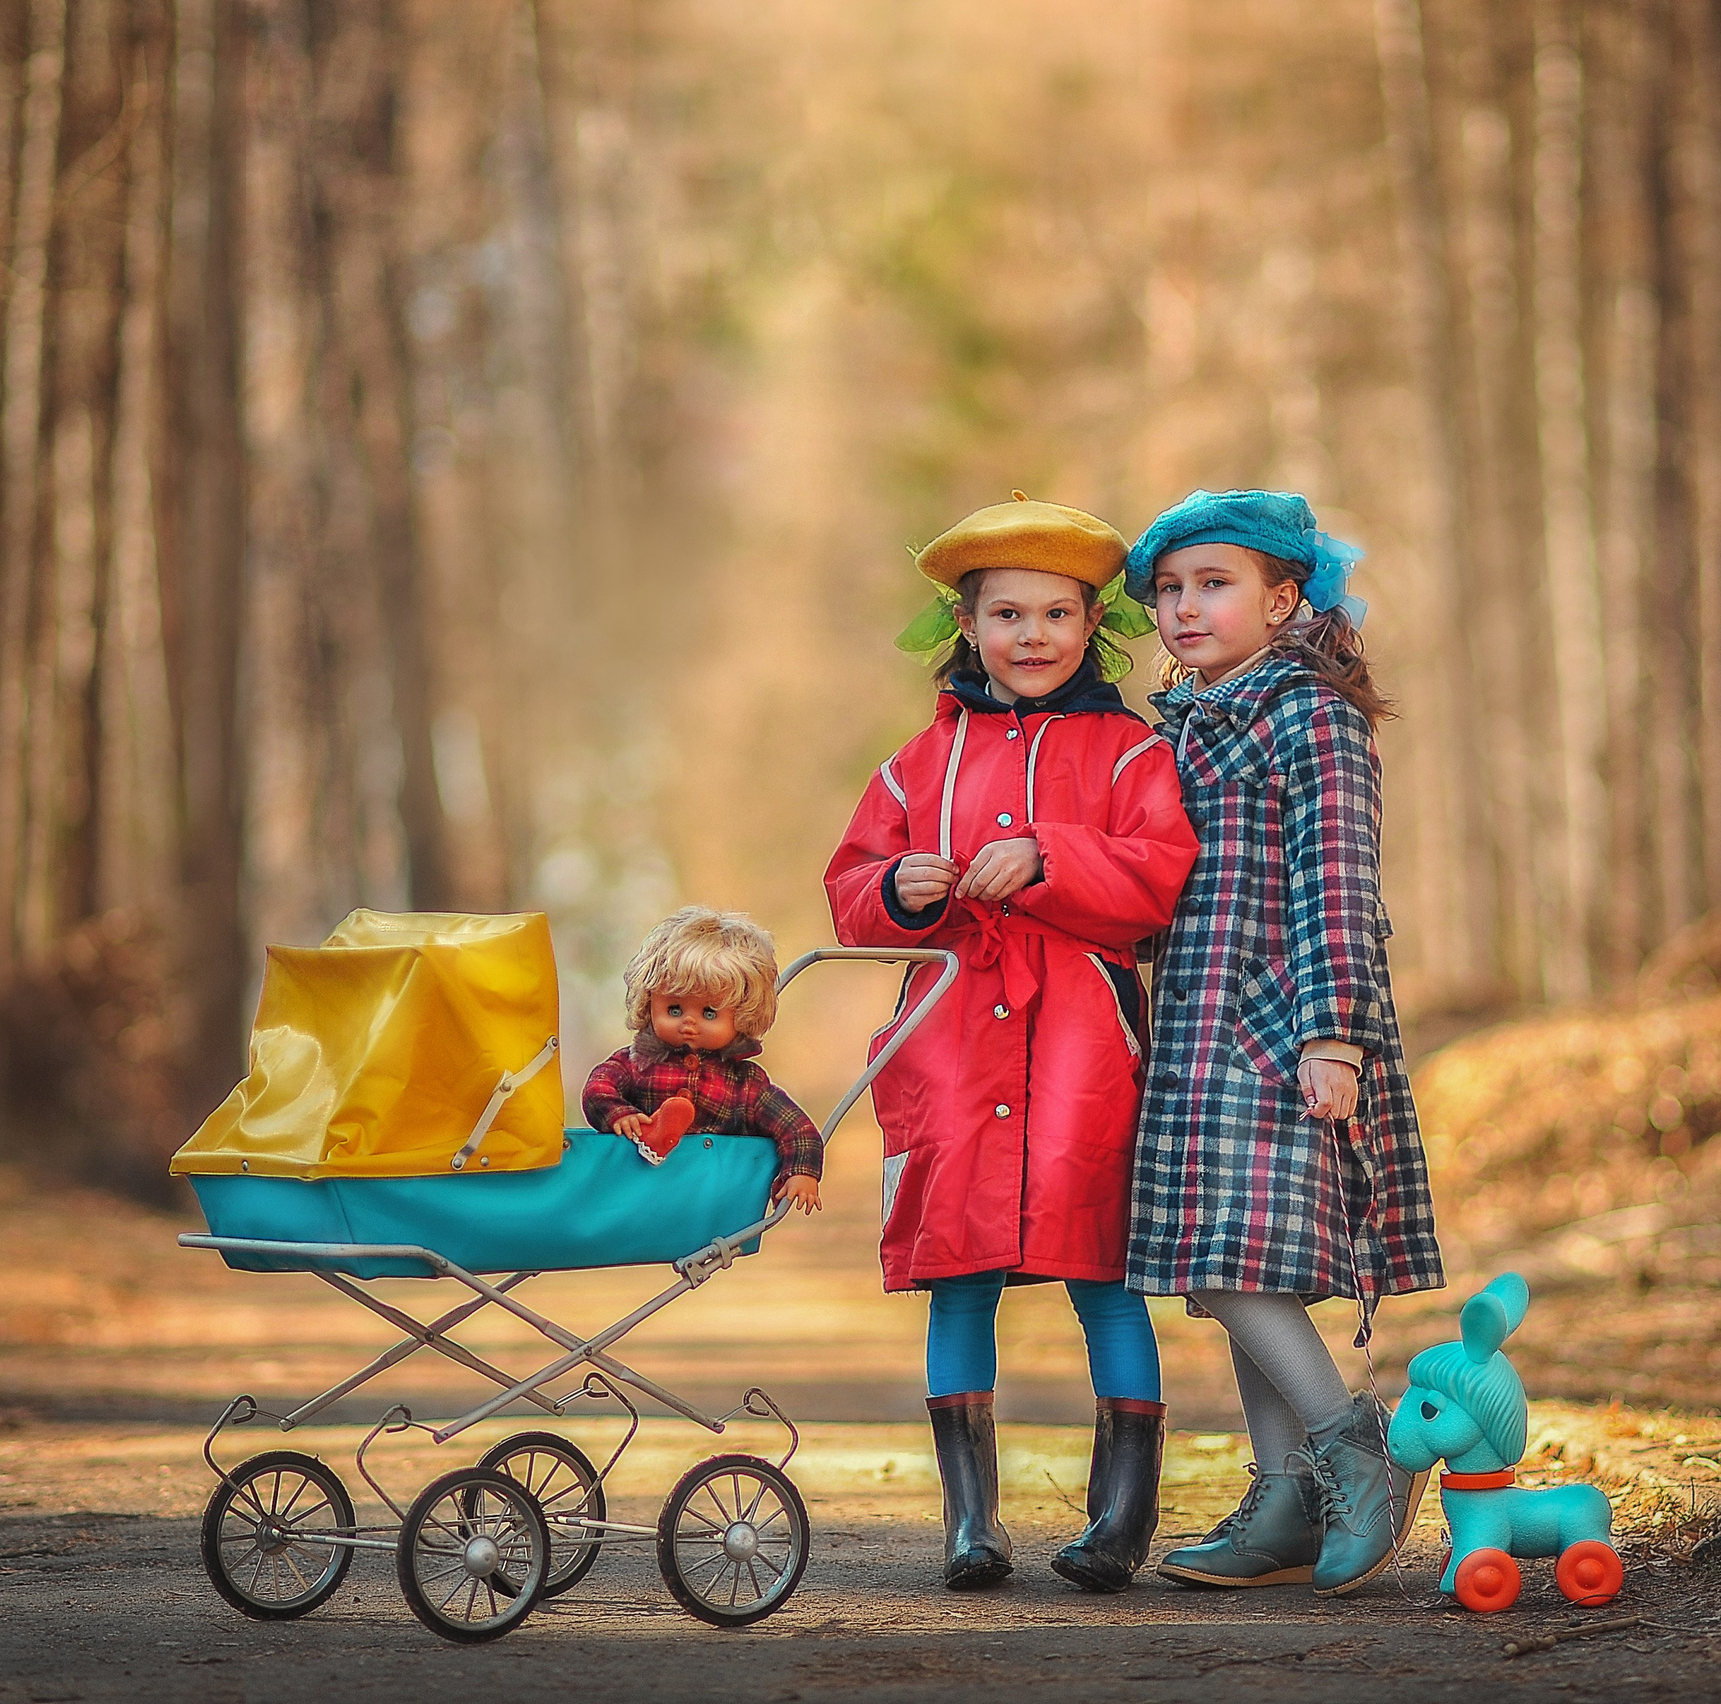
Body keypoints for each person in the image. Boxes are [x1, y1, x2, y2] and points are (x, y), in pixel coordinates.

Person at [826, 493, 1200, 1592]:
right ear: (967, 624)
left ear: (1093, 625)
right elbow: (850, 888)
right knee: (959, 1269)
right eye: (1006, 614)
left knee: (1103, 1267)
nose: (1032, 636)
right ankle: (971, 1524)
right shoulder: (914, 764)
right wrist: (898, 887)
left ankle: (1118, 1523)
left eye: (1057, 613)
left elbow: (1159, 876)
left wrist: (1052, 856)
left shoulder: (1131, 752)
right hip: (949, 1042)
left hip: (1084, 1039)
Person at [1122, 489, 1445, 1597]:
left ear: (1281, 599)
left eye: (1213, 584)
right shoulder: (1176, 724)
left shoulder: (1309, 714)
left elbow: (1338, 882)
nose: (1183, 606)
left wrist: (1334, 1036)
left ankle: (1356, 1448)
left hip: (1278, 1020)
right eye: (1169, 589)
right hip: (1191, 1024)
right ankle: (1285, 1497)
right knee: (1232, 1263)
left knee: (1229, 1261)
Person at [582, 907, 823, 1214]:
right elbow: (598, 1088)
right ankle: (652, 1138)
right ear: (648, 1003)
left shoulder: (744, 1084)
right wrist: (620, 1115)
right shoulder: (637, 1062)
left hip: (710, 1202)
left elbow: (796, 1127)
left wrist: (801, 1172)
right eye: (674, 1009)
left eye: (709, 1013)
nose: (689, 1022)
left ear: (743, 1016)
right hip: (637, 1196)